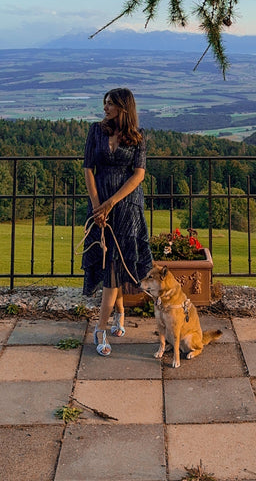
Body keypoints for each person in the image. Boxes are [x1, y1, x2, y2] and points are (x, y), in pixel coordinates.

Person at [82, 87, 153, 355]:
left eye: (110, 104)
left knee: (116, 263)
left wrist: (110, 204)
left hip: (126, 207)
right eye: (105, 103)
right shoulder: (95, 131)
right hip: (99, 205)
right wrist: (97, 206)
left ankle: (100, 329)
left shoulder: (138, 137)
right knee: (108, 261)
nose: (105, 107)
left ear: (124, 107)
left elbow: (138, 175)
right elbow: (88, 170)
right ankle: (119, 313)